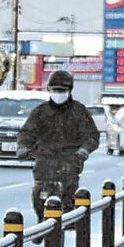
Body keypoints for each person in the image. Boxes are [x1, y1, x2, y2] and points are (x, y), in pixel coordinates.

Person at [16, 70, 99, 222]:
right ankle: (41, 219)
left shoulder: (79, 111)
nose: (58, 93)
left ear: (69, 91)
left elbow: (92, 135)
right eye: (55, 90)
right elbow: (27, 132)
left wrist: (84, 150)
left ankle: (68, 219)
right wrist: (23, 148)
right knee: (38, 192)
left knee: (69, 193)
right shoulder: (41, 111)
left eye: (62, 90)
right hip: (44, 159)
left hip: (70, 160)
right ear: (49, 90)